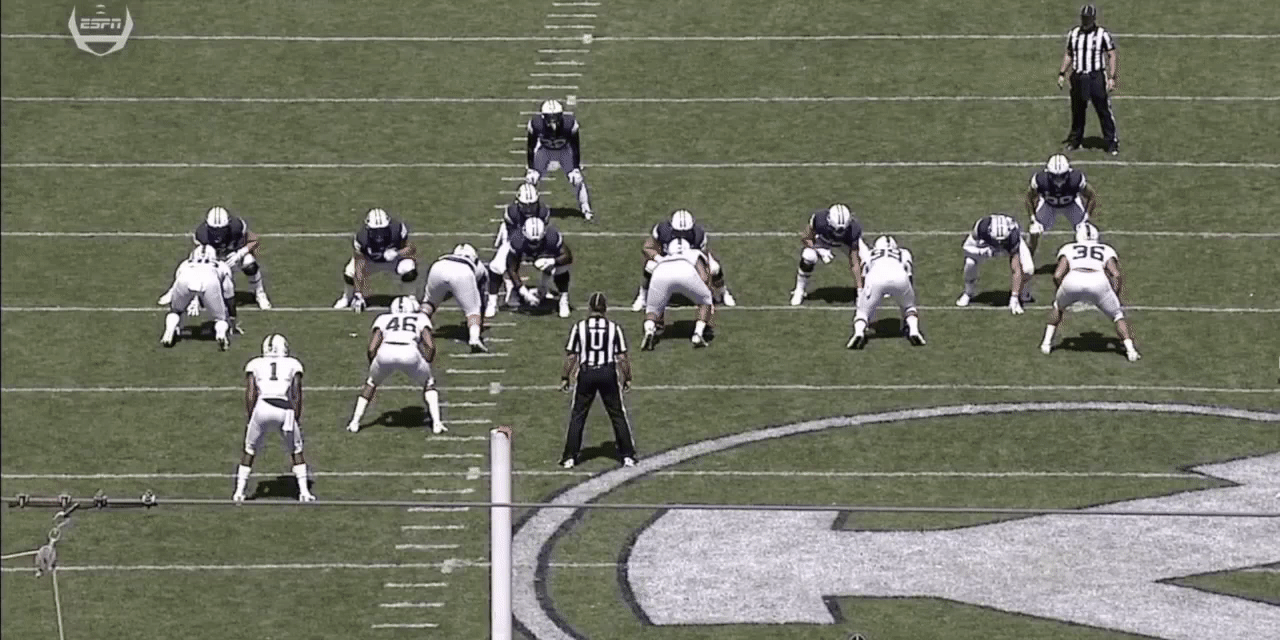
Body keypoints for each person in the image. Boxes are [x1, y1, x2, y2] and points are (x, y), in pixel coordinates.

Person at [1041, 222, 1140, 361]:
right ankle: (1131, 351)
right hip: (1098, 280)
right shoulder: (1106, 249)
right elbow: (1116, 275)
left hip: (1073, 279)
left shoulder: (1069, 248)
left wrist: (1062, 291)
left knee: (1058, 307)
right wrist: (1114, 295)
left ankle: (1046, 344)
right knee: (1117, 315)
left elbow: (1057, 275)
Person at [346, 296, 445, 433]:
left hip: (385, 352)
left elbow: (372, 347)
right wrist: (427, 362)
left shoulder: (383, 318)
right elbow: (430, 346)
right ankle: (437, 424)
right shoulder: (420, 318)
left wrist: (374, 364)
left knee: (371, 383)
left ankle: (355, 422)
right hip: (410, 352)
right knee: (429, 383)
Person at [234, 334, 314, 502]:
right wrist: (296, 416)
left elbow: (251, 392)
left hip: (262, 407)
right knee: (296, 450)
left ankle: (239, 492)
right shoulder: (293, 363)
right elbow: (296, 392)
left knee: (249, 449)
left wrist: (251, 416)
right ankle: (304, 492)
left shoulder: (255, 363)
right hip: (284, 408)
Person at [560, 292, 636, 468]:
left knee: (578, 415)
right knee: (617, 414)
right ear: (605, 309)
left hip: (587, 373)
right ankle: (627, 455)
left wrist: (565, 376)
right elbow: (622, 357)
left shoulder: (579, 327)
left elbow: (572, 356)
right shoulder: (614, 328)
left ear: (590, 308)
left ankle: (570, 457)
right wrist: (627, 376)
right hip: (607, 372)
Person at [631, 209, 735, 311]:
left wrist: (704, 276)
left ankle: (722, 292)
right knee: (649, 266)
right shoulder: (662, 230)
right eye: (678, 232)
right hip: (667, 261)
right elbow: (647, 247)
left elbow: (702, 255)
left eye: (685, 232)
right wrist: (659, 259)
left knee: (715, 267)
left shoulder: (698, 234)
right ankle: (643, 296)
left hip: (690, 263)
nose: (681, 234)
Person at [1059, 4, 1120, 155]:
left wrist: (1112, 77)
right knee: (1077, 110)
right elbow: (1069, 53)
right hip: (1078, 76)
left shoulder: (1102, 34)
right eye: (1084, 18)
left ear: (1093, 19)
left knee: (1103, 110)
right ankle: (1075, 140)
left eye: (1088, 18)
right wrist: (1062, 72)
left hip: (1095, 76)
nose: (1086, 21)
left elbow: (1111, 54)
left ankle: (1111, 142)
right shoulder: (1074, 33)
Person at [849, 236, 925, 349]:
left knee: (862, 312)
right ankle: (914, 330)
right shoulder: (904, 252)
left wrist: (865, 295)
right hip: (900, 277)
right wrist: (908, 296)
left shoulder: (869, 254)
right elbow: (909, 275)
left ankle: (859, 332)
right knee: (909, 307)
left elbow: (864, 275)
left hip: (876, 277)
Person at [333, 208, 418, 311]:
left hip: (394, 261)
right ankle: (347, 297)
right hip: (370, 262)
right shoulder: (362, 238)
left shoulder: (397, 229)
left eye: (382, 230)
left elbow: (411, 249)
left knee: (409, 268)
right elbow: (359, 264)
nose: (379, 234)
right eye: (375, 231)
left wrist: (397, 253)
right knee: (350, 272)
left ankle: (411, 297)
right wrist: (358, 294)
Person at [487, 183, 551, 317]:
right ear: (518, 202)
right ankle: (492, 302)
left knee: (550, 261)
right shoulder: (512, 212)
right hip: (516, 239)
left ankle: (543, 290)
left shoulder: (543, 212)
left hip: (536, 240)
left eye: (532, 205)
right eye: (525, 205)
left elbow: (542, 233)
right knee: (496, 266)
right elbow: (512, 238)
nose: (528, 209)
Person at [641, 239, 715, 350]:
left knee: (653, 309)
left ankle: (649, 330)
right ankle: (697, 334)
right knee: (705, 300)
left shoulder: (666, 256)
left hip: (661, 271)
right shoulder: (694, 252)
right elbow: (703, 277)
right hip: (685, 270)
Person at [525, 99, 594, 220]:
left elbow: (575, 147)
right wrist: (531, 168)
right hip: (545, 151)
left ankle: (586, 208)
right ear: (543, 117)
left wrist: (576, 168)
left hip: (564, 151)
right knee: (531, 180)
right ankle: (527, 211)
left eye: (556, 116)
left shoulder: (569, 124)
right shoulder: (536, 124)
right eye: (550, 117)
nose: (553, 120)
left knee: (577, 180)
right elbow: (531, 147)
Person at [955, 214, 1035, 314]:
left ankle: (1023, 290)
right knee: (970, 263)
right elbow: (968, 249)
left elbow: (1016, 268)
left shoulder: (1013, 236)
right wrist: (984, 251)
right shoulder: (981, 228)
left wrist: (1014, 297)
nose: (999, 243)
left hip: (1007, 244)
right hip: (987, 244)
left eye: (1002, 241)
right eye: (997, 241)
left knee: (1028, 269)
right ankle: (968, 292)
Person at [160, 245, 237, 350]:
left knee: (176, 311)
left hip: (185, 278)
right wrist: (232, 316)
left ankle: (169, 330)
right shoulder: (222, 266)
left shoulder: (184, 264)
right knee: (220, 318)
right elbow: (229, 292)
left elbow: (177, 283)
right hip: (210, 281)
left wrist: (191, 300)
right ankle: (220, 334)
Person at [790, 204, 868, 306]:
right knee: (808, 256)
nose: (838, 234)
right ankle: (799, 290)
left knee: (867, 259)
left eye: (842, 230)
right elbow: (805, 238)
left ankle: (869, 289)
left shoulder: (853, 230)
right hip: (822, 242)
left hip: (844, 243)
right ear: (828, 222)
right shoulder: (819, 220)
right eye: (836, 230)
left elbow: (854, 262)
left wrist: (859, 290)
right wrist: (819, 249)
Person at [1024, 154, 1098, 256]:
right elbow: (1029, 198)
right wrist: (1033, 219)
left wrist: (1086, 217)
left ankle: (1084, 260)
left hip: (1071, 205)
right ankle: (1027, 257)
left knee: (1085, 232)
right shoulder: (1040, 180)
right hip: (1048, 205)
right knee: (1034, 231)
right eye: (1055, 176)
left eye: (1062, 176)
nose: (1058, 180)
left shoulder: (1075, 179)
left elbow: (1092, 196)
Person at [423, 244, 489, 353]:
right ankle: (474, 339)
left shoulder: (449, 258)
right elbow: (481, 297)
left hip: (438, 266)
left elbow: (446, 292)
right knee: (473, 311)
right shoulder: (480, 267)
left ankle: (415, 328)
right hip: (463, 272)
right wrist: (479, 322)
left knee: (429, 303)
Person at [505, 218, 574, 318]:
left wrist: (551, 261)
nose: (534, 246)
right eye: (531, 242)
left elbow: (567, 257)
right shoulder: (517, 240)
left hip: (546, 256)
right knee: (496, 267)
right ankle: (511, 293)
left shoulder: (551, 236)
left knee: (562, 267)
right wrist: (524, 292)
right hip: (526, 255)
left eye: (537, 242)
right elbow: (511, 268)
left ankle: (563, 298)